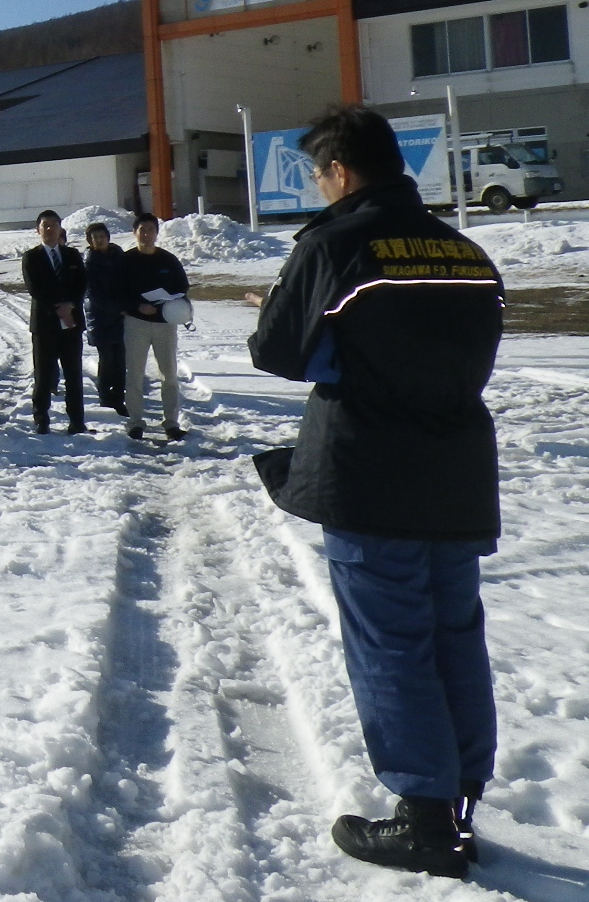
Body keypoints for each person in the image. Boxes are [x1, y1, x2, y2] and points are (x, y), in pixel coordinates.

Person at [246, 106, 504, 879]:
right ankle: (458, 797)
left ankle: (423, 817)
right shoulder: (466, 252)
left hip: (371, 471)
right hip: (455, 471)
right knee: (454, 631)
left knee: (391, 639)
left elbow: (276, 350)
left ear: (340, 172)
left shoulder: (335, 243)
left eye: (319, 174)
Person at [122, 212, 191, 441]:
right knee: (135, 374)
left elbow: (182, 286)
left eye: (150, 230)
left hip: (165, 323)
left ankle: (171, 422)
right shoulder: (126, 261)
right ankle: (135, 422)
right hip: (136, 323)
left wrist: (170, 303)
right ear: (135, 232)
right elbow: (115, 291)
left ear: (156, 233)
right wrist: (137, 307)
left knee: (169, 373)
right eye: (142, 229)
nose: (146, 234)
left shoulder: (168, 260)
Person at [22, 210, 89, 435]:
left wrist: (69, 305)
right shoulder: (31, 257)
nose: (50, 229)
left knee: (73, 374)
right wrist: (58, 308)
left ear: (61, 228)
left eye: (54, 225)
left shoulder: (71, 255)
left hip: (71, 323)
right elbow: (35, 289)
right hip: (45, 324)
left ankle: (77, 420)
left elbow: (81, 283)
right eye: (45, 225)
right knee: (43, 374)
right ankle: (41, 418)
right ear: (38, 230)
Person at [82, 222, 128, 415]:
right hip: (100, 316)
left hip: (121, 315)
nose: (99, 240)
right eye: (95, 237)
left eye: (102, 236)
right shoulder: (89, 262)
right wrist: (118, 309)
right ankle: (105, 398)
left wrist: (127, 305)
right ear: (90, 242)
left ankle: (119, 397)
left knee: (121, 359)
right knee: (107, 359)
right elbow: (92, 293)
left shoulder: (120, 256)